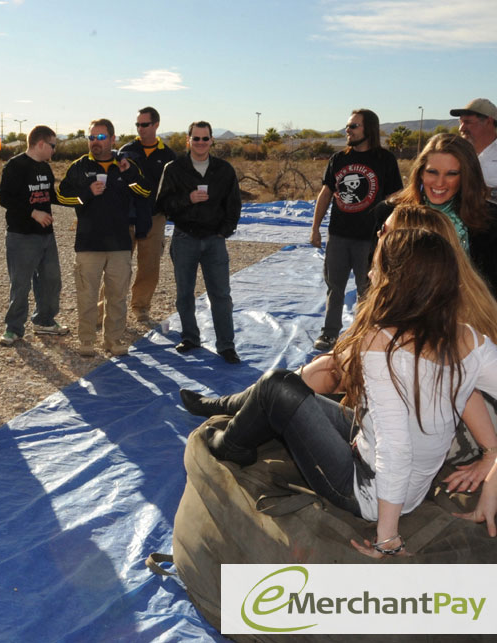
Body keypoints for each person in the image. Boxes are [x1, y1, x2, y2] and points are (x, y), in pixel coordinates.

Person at [181, 228, 497, 558]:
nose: (370, 274)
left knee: (277, 386)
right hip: (394, 473)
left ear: (399, 281)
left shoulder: (384, 342)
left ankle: (231, 446)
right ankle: (229, 409)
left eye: (377, 266)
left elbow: (396, 448)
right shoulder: (468, 338)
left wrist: (388, 538)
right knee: (291, 387)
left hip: (368, 491)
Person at [310, 109, 403, 352]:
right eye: (348, 126)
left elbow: (396, 197)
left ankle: (364, 335)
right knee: (334, 287)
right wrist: (315, 228)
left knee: (368, 290)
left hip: (370, 239)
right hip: (338, 236)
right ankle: (330, 333)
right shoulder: (338, 158)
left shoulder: (385, 159)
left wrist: (392, 232)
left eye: (353, 126)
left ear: (368, 129)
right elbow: (326, 193)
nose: (348, 131)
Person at [59, 118, 150, 357]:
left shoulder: (126, 165)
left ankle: (113, 340)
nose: (95, 142)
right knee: (87, 296)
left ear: (112, 139)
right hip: (88, 244)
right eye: (91, 137)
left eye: (100, 137)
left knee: (117, 296)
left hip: (120, 244)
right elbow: (61, 197)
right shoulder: (79, 166)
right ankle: (87, 340)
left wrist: (129, 174)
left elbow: (145, 192)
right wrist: (86, 193)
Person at [155, 120, 242, 363]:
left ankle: (226, 345)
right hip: (185, 237)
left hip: (214, 241)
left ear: (212, 140)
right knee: (184, 293)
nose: (200, 143)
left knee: (221, 295)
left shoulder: (224, 170)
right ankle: (190, 338)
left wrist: (224, 231)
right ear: (188, 140)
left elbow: (234, 204)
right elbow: (162, 204)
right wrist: (188, 198)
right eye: (196, 138)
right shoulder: (174, 169)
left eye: (205, 138)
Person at [373, 133, 497, 295]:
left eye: (451, 173)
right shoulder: (389, 212)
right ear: (420, 172)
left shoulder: (489, 219)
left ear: (466, 176)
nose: (439, 182)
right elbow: (373, 276)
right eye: (432, 172)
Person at [0, 125, 69, 346]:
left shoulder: (46, 168)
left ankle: (44, 321)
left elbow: (52, 196)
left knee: (51, 280)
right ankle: (13, 329)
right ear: (40, 144)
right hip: (21, 236)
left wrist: (84, 196)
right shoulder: (15, 166)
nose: (54, 150)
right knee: (20, 284)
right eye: (52, 145)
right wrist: (33, 212)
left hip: (46, 235)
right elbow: (5, 199)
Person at [118, 106, 178, 322]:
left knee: (149, 266)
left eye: (144, 124)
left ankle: (141, 307)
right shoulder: (126, 151)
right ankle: (107, 309)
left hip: (154, 218)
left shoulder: (168, 155)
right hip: (127, 217)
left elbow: (173, 187)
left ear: (156, 125)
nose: (140, 128)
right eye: (137, 124)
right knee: (118, 266)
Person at [450, 98, 497, 204]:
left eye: (467, 122)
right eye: (460, 122)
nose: (461, 129)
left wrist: (487, 193)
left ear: (488, 122)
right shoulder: (454, 154)